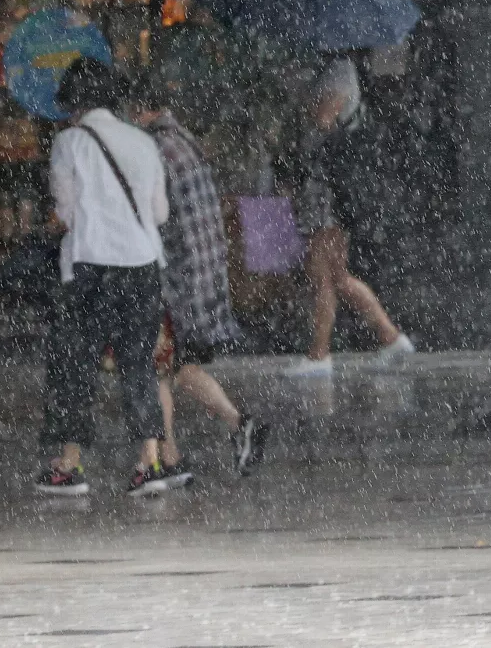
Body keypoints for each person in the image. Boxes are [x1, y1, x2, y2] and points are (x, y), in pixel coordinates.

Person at [36, 58, 170, 497]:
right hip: (143, 266)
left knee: (77, 365)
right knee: (138, 366)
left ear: (74, 102)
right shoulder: (143, 142)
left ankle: (69, 466)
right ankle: (148, 462)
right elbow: (160, 213)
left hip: (90, 268)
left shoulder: (68, 143)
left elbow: (66, 211)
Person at [133, 82, 268, 482]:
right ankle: (186, 448)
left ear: (141, 111)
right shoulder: (185, 143)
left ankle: (170, 456)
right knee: (176, 366)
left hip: (173, 275)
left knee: (158, 367)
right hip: (201, 274)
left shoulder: (156, 150)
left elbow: (157, 213)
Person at [278, 56, 414, 374]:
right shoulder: (321, 69)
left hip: (327, 194)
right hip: (321, 192)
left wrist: (307, 102)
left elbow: (323, 119)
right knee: (337, 278)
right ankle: (390, 337)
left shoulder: (341, 70)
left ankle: (319, 355)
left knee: (322, 278)